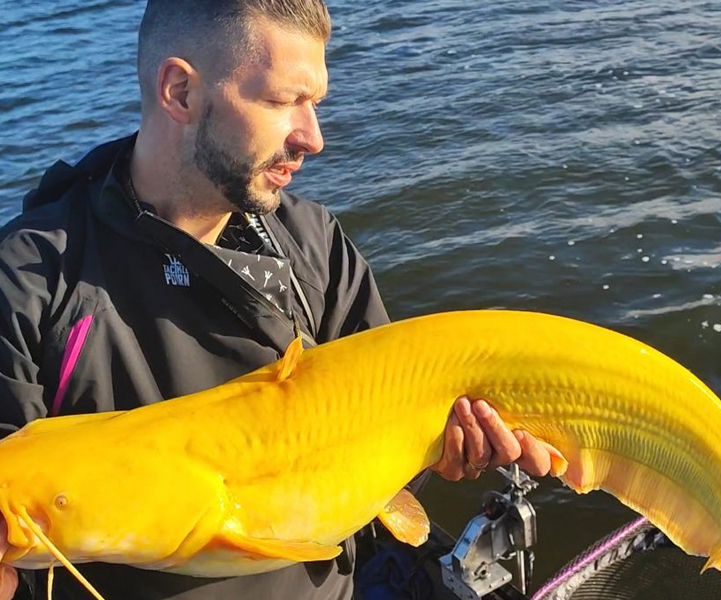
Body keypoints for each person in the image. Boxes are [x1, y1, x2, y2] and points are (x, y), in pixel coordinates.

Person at [0, 1, 552, 599]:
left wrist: (442, 449)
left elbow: (387, 473)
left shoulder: (315, 246)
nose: (312, 137)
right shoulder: (31, 278)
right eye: (282, 100)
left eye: (315, 103)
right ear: (180, 92)